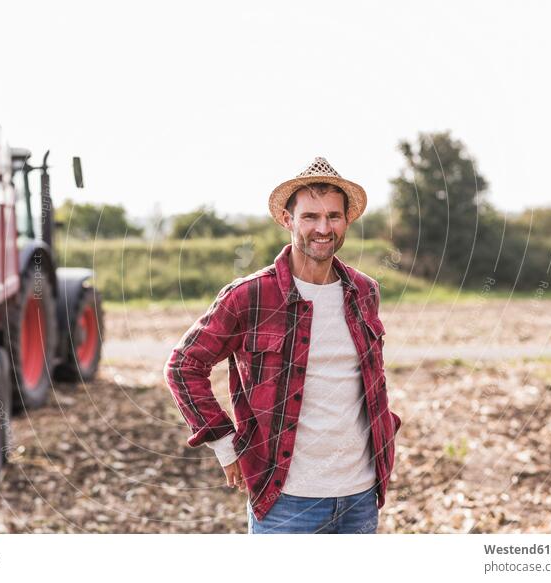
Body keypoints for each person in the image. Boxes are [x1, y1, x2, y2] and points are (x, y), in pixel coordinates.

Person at [163, 157, 401, 534]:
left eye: (333, 216)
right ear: (288, 220)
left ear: (347, 221)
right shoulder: (249, 296)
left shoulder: (365, 291)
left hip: (360, 494)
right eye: (310, 217)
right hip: (286, 500)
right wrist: (225, 446)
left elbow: (368, 380)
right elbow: (183, 367)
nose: (323, 228)